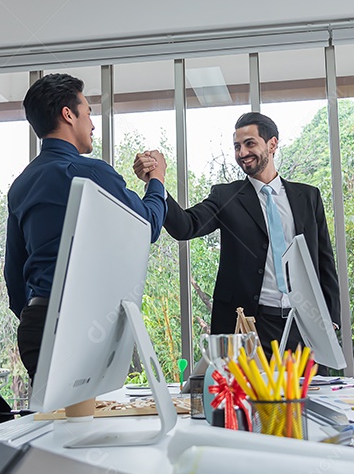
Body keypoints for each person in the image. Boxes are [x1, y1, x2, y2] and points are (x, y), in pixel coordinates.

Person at [4, 73, 168, 381]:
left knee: (56, 424)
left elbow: (14, 276)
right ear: (68, 114)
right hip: (81, 326)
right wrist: (157, 179)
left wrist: (42, 315)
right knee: (90, 424)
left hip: (36, 326)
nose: (92, 124)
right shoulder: (90, 172)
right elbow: (147, 227)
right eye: (89, 112)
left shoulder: (21, 185)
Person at [135, 112, 340, 356]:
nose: (242, 153)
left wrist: (331, 322)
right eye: (237, 146)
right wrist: (156, 182)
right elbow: (185, 226)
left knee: (307, 394)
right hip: (248, 328)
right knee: (244, 395)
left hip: (303, 327)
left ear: (272, 144)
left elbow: (324, 260)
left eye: (249, 143)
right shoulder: (226, 197)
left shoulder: (308, 197)